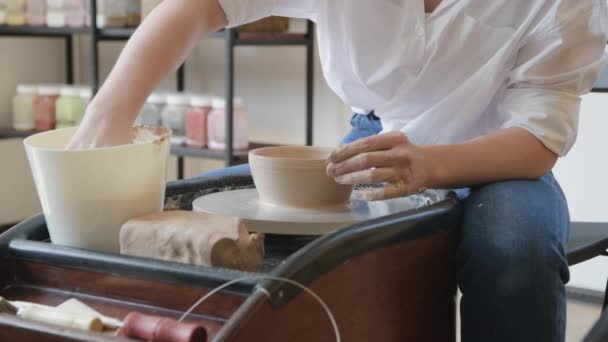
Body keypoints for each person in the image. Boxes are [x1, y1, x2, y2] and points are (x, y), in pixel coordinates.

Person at [67, 0, 608, 341]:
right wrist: (106, 118)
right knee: (305, 248)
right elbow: (199, 5)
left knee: (516, 249)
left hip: (500, 159)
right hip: (374, 140)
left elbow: (539, 138)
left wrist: (431, 164)